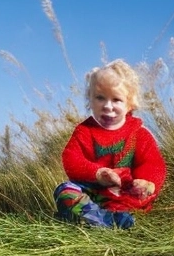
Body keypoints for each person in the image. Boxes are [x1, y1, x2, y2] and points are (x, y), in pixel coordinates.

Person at [54, 59, 167, 229]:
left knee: (134, 203)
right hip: (94, 194)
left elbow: (153, 163)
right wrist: (97, 173)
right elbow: (71, 158)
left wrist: (146, 182)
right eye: (100, 98)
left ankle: (106, 220)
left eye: (116, 100)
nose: (108, 106)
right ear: (90, 100)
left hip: (125, 195)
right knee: (64, 190)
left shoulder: (138, 133)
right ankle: (100, 220)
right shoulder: (84, 131)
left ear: (130, 104)